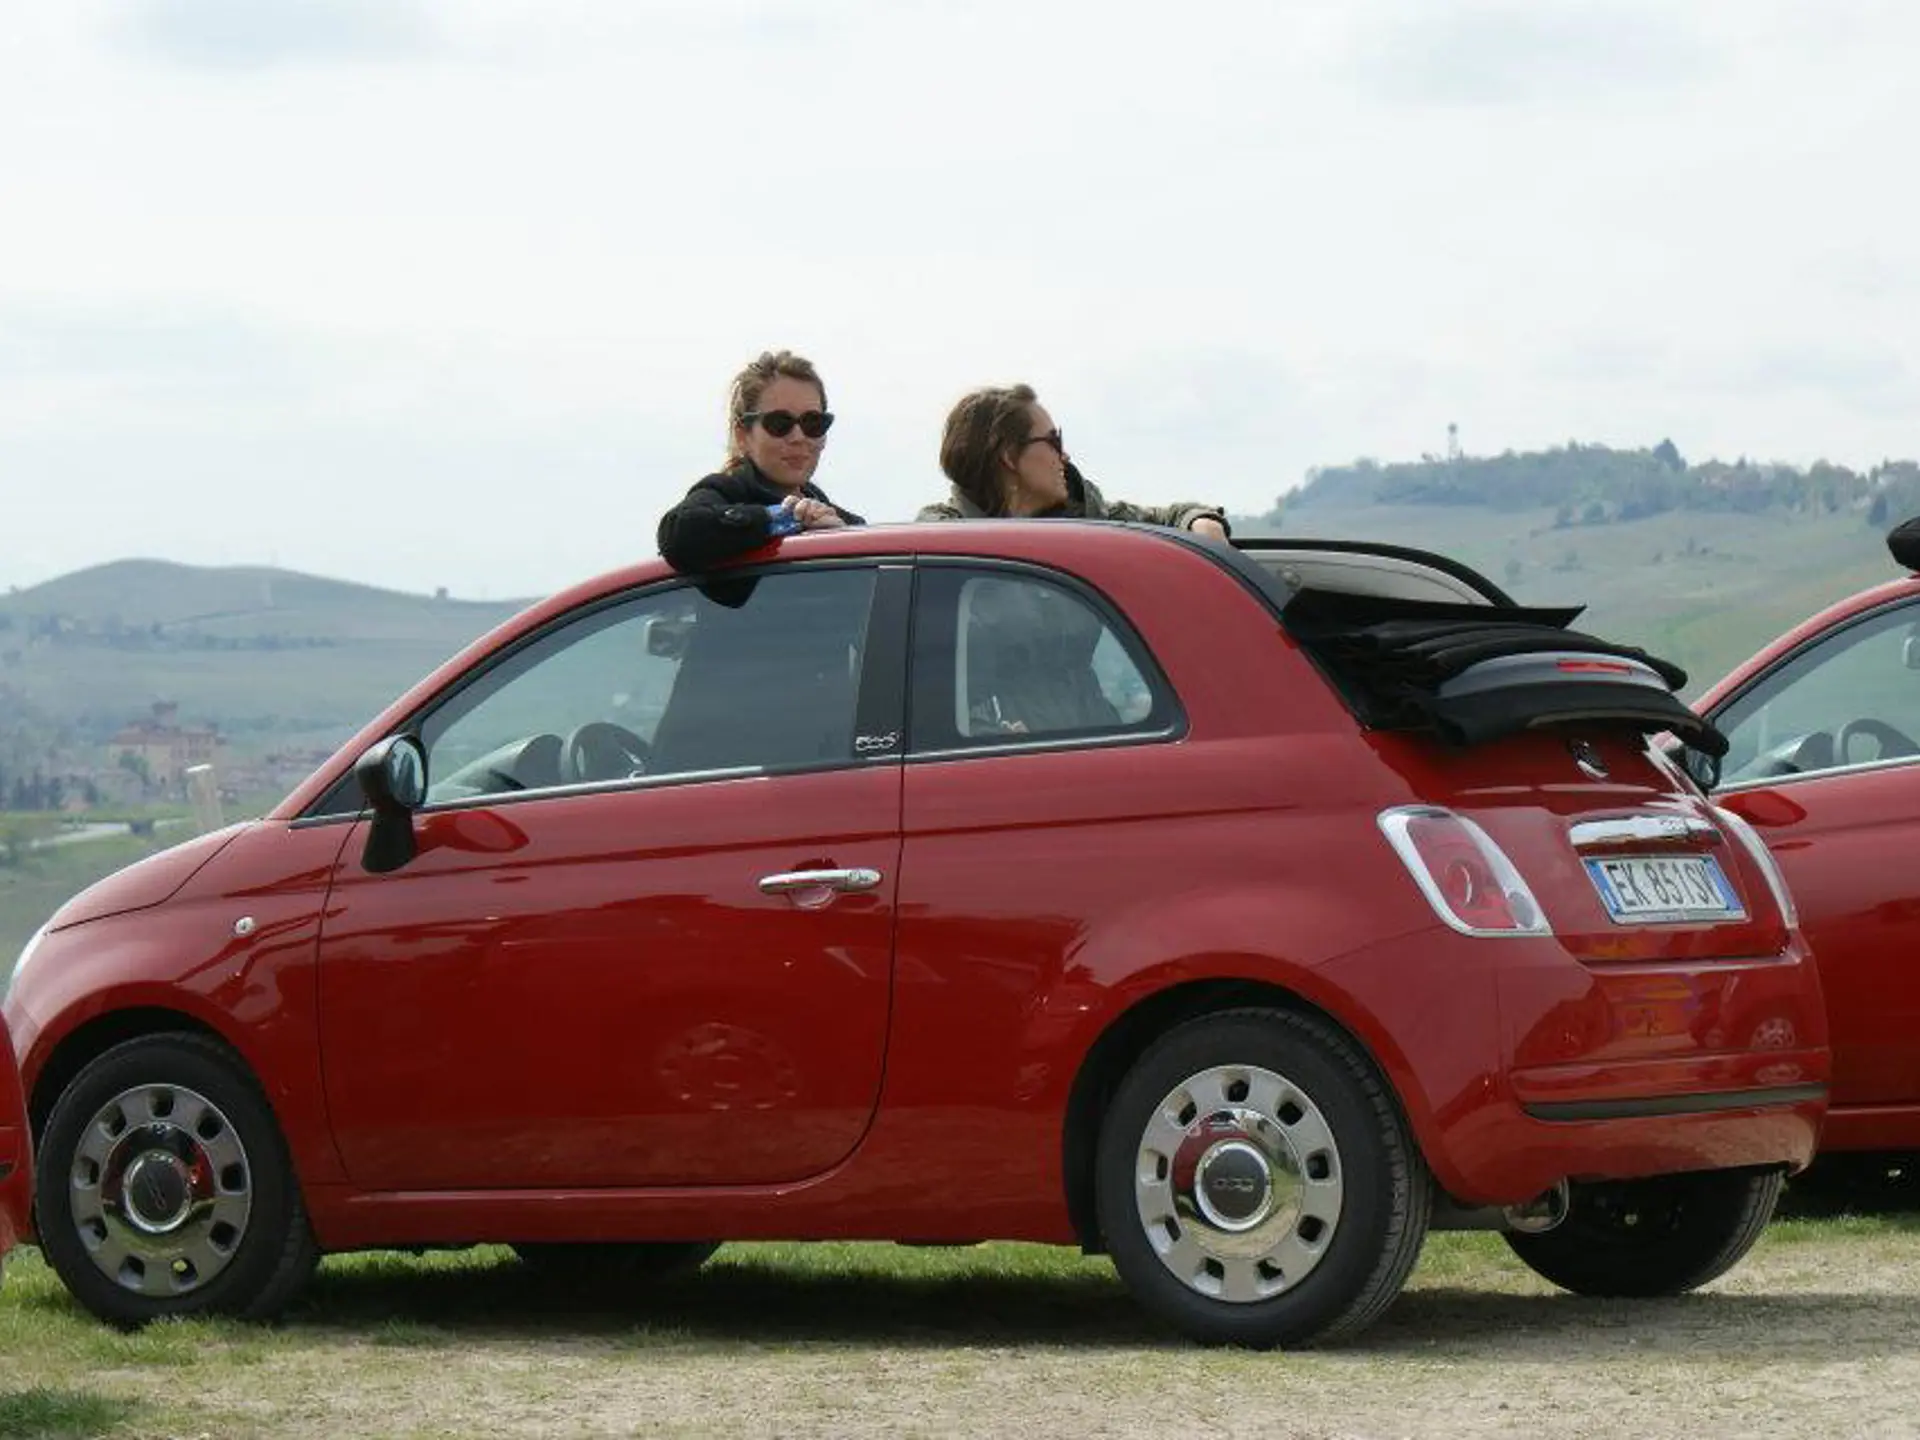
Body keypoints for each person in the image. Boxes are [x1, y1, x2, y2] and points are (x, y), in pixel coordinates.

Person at [916, 383, 1230, 538]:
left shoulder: (1089, 518)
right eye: (1054, 441)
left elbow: (1172, 518)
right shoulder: (939, 544)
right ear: (1010, 456)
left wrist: (1200, 523)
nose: (1064, 456)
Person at [657, 350, 865, 571]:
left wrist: (841, 544)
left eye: (813, 423)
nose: (798, 437)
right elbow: (678, 534)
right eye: (779, 424)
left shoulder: (848, 525)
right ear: (742, 435)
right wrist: (785, 520)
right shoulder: (725, 493)